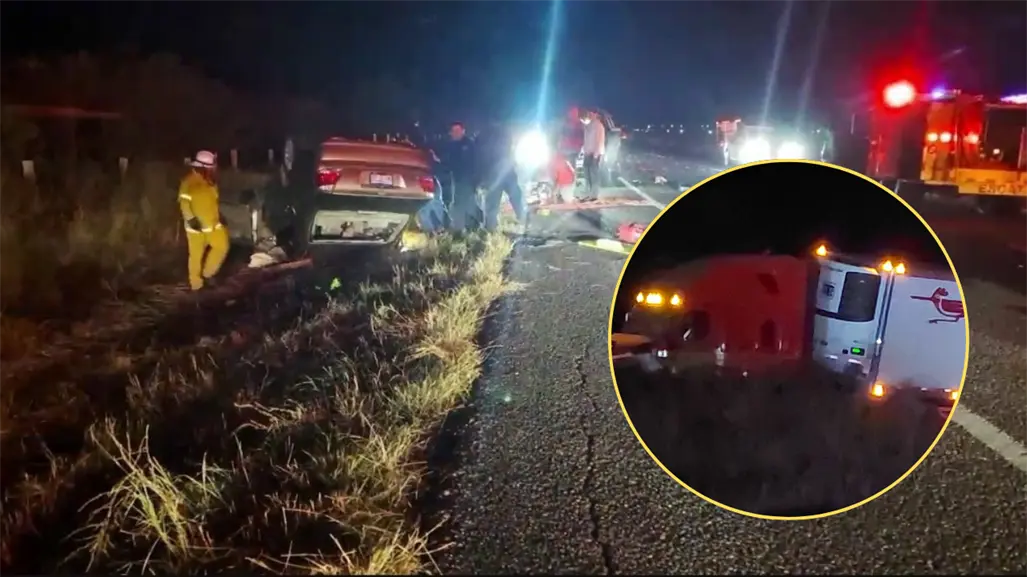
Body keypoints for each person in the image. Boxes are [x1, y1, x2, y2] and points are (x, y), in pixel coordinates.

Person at [178, 150, 229, 290]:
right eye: (211, 166)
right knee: (195, 256)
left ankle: (208, 274)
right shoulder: (188, 182)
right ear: (204, 167)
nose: (214, 168)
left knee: (222, 246)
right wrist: (191, 219)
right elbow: (184, 203)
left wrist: (219, 216)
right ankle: (196, 286)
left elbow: (214, 201)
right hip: (196, 228)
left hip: (213, 224)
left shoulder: (210, 182)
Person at [479, 122, 527, 233]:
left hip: (499, 172)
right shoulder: (502, 132)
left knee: (510, 198)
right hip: (499, 172)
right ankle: (525, 221)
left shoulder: (486, 135)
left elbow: (510, 150)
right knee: (514, 197)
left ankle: (490, 228)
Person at [434, 121, 481, 233]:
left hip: (468, 179)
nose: (455, 133)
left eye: (458, 130)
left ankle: (460, 229)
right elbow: (448, 162)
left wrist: (476, 179)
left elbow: (475, 162)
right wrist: (438, 160)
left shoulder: (469, 144)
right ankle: (469, 227)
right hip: (456, 179)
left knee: (463, 204)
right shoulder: (451, 145)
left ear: (463, 131)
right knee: (465, 203)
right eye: (453, 131)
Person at [581, 108, 606, 200]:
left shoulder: (598, 125)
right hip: (588, 152)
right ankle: (588, 193)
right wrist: (584, 151)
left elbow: (599, 141)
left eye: (591, 113)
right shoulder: (588, 126)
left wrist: (596, 154)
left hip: (595, 153)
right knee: (587, 174)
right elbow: (586, 139)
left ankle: (594, 194)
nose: (589, 115)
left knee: (593, 174)